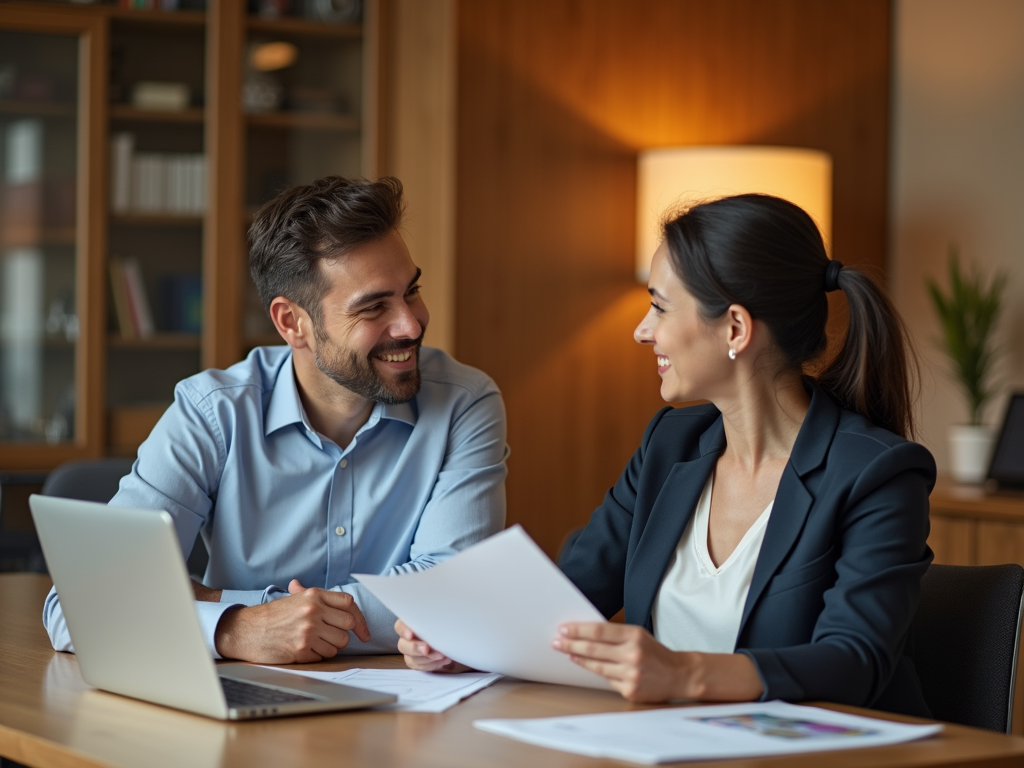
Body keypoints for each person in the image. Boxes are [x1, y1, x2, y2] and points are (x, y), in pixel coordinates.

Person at [396, 193, 935, 716]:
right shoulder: (670, 444)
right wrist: (460, 637)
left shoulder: (877, 473)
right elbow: (567, 599)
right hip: (666, 746)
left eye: (658, 306)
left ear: (736, 328)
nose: (641, 331)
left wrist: (684, 673)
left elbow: (855, 661)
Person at [43, 176, 508, 663]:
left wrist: (218, 604)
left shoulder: (464, 402)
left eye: (410, 291)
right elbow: (75, 608)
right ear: (292, 323)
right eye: (374, 307)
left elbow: (453, 596)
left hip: (404, 719)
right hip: (242, 711)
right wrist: (236, 630)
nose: (411, 324)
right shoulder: (213, 411)